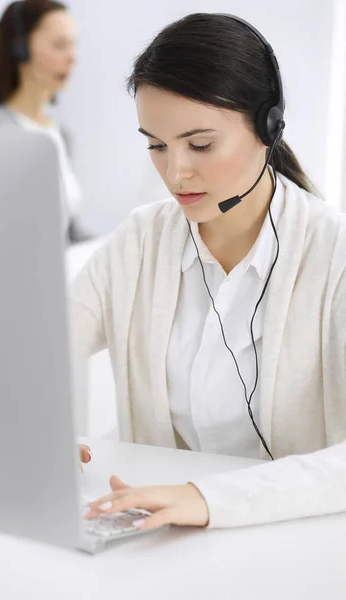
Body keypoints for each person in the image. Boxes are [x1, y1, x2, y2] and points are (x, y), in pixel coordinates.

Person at [71, 13, 346, 531]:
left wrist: (207, 498)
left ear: (269, 128)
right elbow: (34, 353)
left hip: (300, 541)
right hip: (163, 541)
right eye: (156, 145)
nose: (175, 173)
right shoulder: (139, 241)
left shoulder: (334, 256)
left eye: (200, 145)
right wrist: (32, 426)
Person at [0, 0, 92, 244]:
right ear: (21, 50)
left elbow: (68, 233)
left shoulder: (60, 132)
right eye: (60, 45)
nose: (72, 57)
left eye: (73, 45)